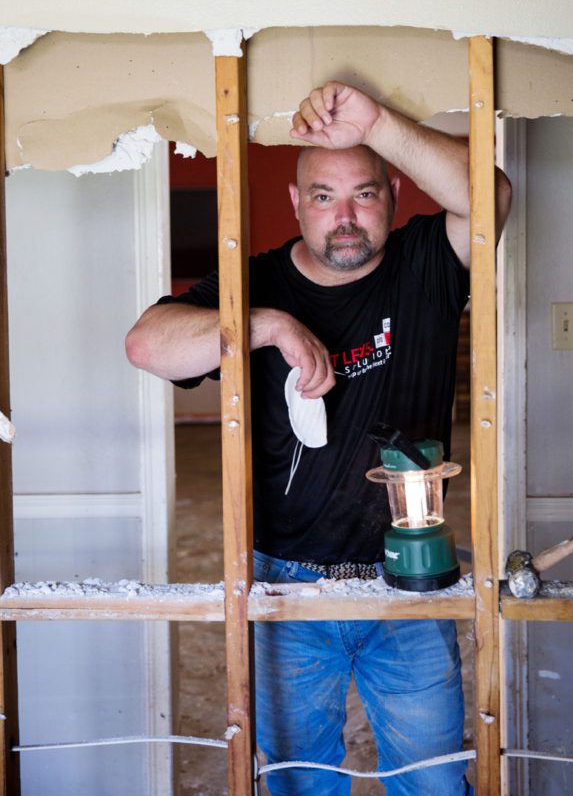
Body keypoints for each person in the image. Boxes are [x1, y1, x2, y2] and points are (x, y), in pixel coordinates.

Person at [126, 81, 512, 796]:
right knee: (300, 785)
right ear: (297, 203)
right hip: (286, 588)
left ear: (394, 194)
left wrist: (374, 121)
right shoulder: (254, 284)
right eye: (325, 196)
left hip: (410, 585)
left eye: (364, 194)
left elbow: (493, 195)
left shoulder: (425, 261)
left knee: (434, 783)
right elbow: (147, 345)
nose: (345, 217)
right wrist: (266, 326)